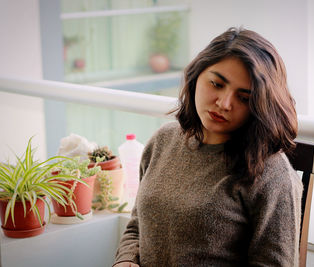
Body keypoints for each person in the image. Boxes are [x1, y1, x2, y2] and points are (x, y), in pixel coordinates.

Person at [113, 27, 302, 267]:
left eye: (243, 98)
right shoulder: (163, 140)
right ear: (196, 75)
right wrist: (126, 260)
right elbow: (137, 224)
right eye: (216, 83)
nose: (224, 103)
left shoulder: (272, 173)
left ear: (260, 105)